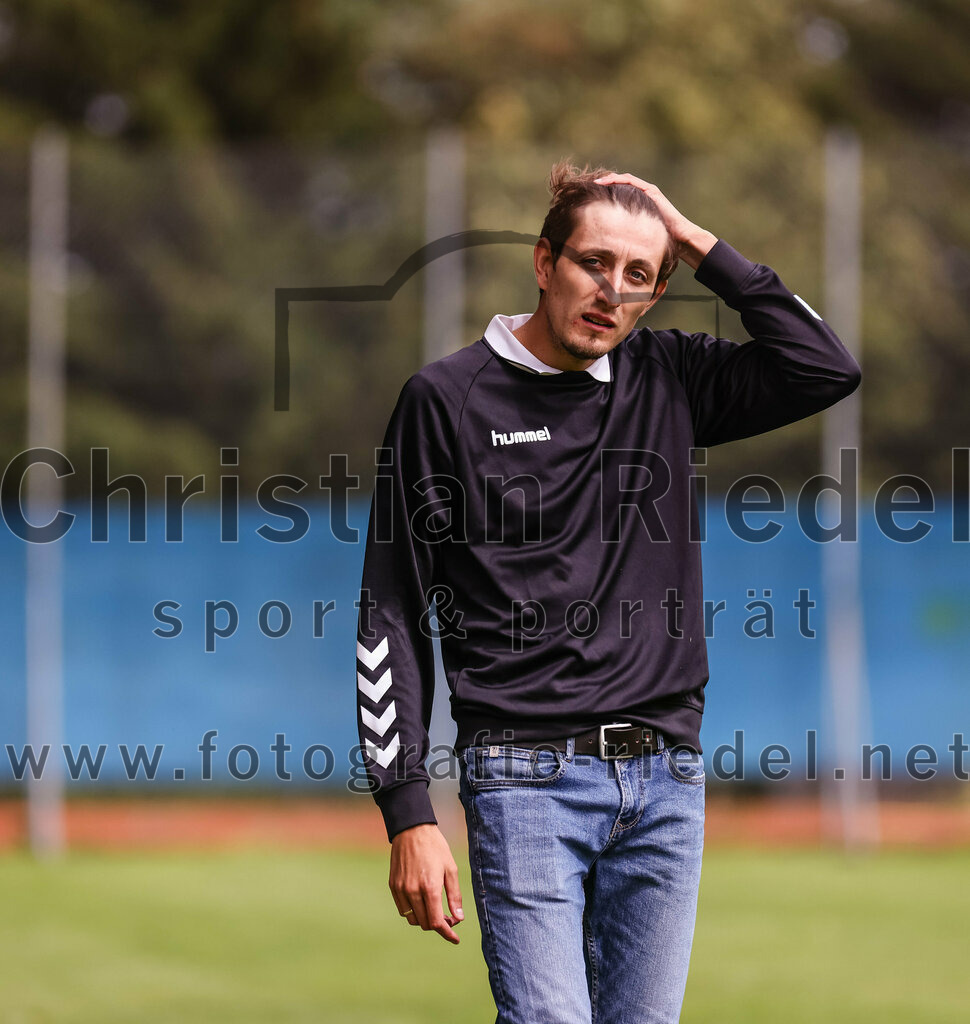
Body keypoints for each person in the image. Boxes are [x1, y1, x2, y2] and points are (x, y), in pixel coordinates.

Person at [354, 161, 861, 1023]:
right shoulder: (446, 400)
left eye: (638, 275)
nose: (611, 291)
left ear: (658, 292)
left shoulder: (671, 377)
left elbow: (825, 366)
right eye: (594, 262)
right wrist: (408, 809)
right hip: (524, 782)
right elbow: (392, 610)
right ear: (544, 262)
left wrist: (694, 240)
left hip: (667, 782)